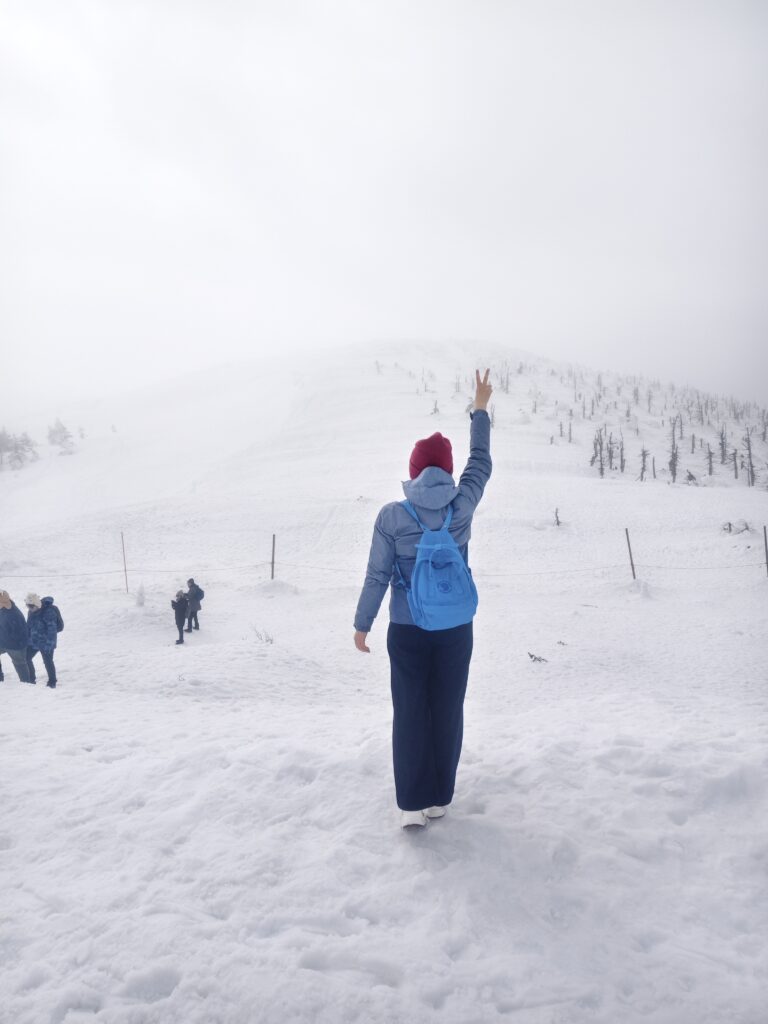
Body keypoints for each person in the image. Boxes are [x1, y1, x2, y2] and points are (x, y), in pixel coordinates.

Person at [354, 369, 493, 829]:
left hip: (408, 628)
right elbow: (481, 462)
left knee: (410, 710)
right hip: (455, 627)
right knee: (447, 707)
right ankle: (439, 799)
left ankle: (412, 804)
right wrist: (479, 408)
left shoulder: (393, 515)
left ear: (414, 470)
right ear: (447, 470)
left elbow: (377, 574)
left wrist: (363, 623)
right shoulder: (463, 504)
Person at [26, 593, 63, 688]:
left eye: (31, 606)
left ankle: (52, 681)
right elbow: (28, 626)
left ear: (37, 604)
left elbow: (52, 630)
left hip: (46, 642)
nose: (29, 608)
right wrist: (27, 639)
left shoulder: (49, 612)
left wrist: (49, 645)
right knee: (26, 658)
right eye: (27, 605)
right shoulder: (31, 611)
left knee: (47, 661)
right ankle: (31, 679)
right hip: (34, 641)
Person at [0, 589, 32, 683]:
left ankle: (26, 685)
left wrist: (7, 638)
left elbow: (20, 634)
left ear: (3, 602)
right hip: (3, 641)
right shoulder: (3, 609)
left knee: (20, 664)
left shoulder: (14, 615)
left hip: (15, 646)